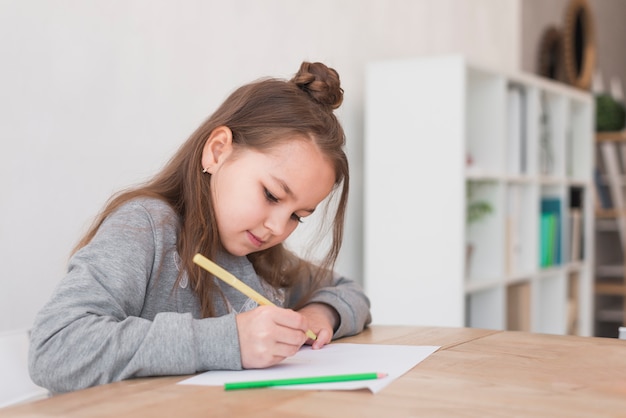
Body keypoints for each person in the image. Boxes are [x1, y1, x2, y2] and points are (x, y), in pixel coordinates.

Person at [28, 61, 371, 393]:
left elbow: (350, 293)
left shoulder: (262, 257)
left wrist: (319, 314)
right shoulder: (146, 227)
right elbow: (55, 348)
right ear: (217, 151)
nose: (277, 228)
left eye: (298, 216)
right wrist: (228, 341)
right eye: (271, 194)